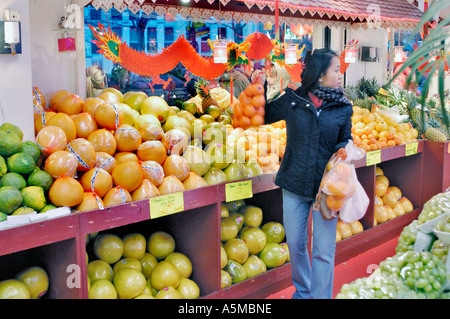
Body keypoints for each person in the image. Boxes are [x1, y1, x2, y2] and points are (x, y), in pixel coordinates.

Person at [264, 48, 353, 299]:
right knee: (295, 244)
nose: (340, 74)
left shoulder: (343, 107)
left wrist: (343, 150)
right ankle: (303, 292)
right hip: (294, 182)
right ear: (320, 74)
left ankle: (320, 297)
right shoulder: (293, 100)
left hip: (326, 189)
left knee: (323, 250)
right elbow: (264, 115)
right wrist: (260, 85)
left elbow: (344, 139)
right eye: (336, 69)